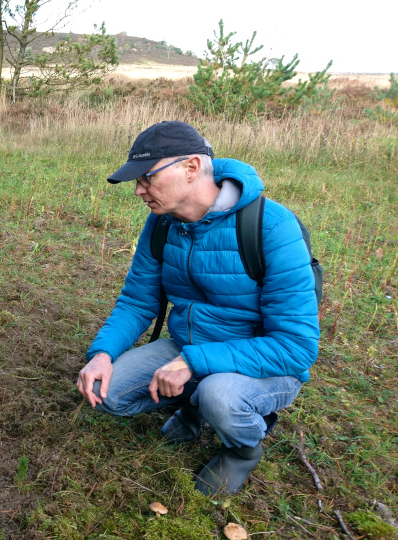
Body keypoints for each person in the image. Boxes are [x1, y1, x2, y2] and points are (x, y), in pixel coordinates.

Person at [76, 121, 319, 495]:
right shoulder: (161, 224)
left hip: (263, 363)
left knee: (218, 395)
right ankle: (192, 403)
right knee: (109, 394)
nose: (139, 190)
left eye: (146, 178)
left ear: (190, 168)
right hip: (187, 346)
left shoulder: (271, 227)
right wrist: (102, 353)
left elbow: (296, 347)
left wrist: (193, 363)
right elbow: (137, 300)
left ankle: (242, 449)